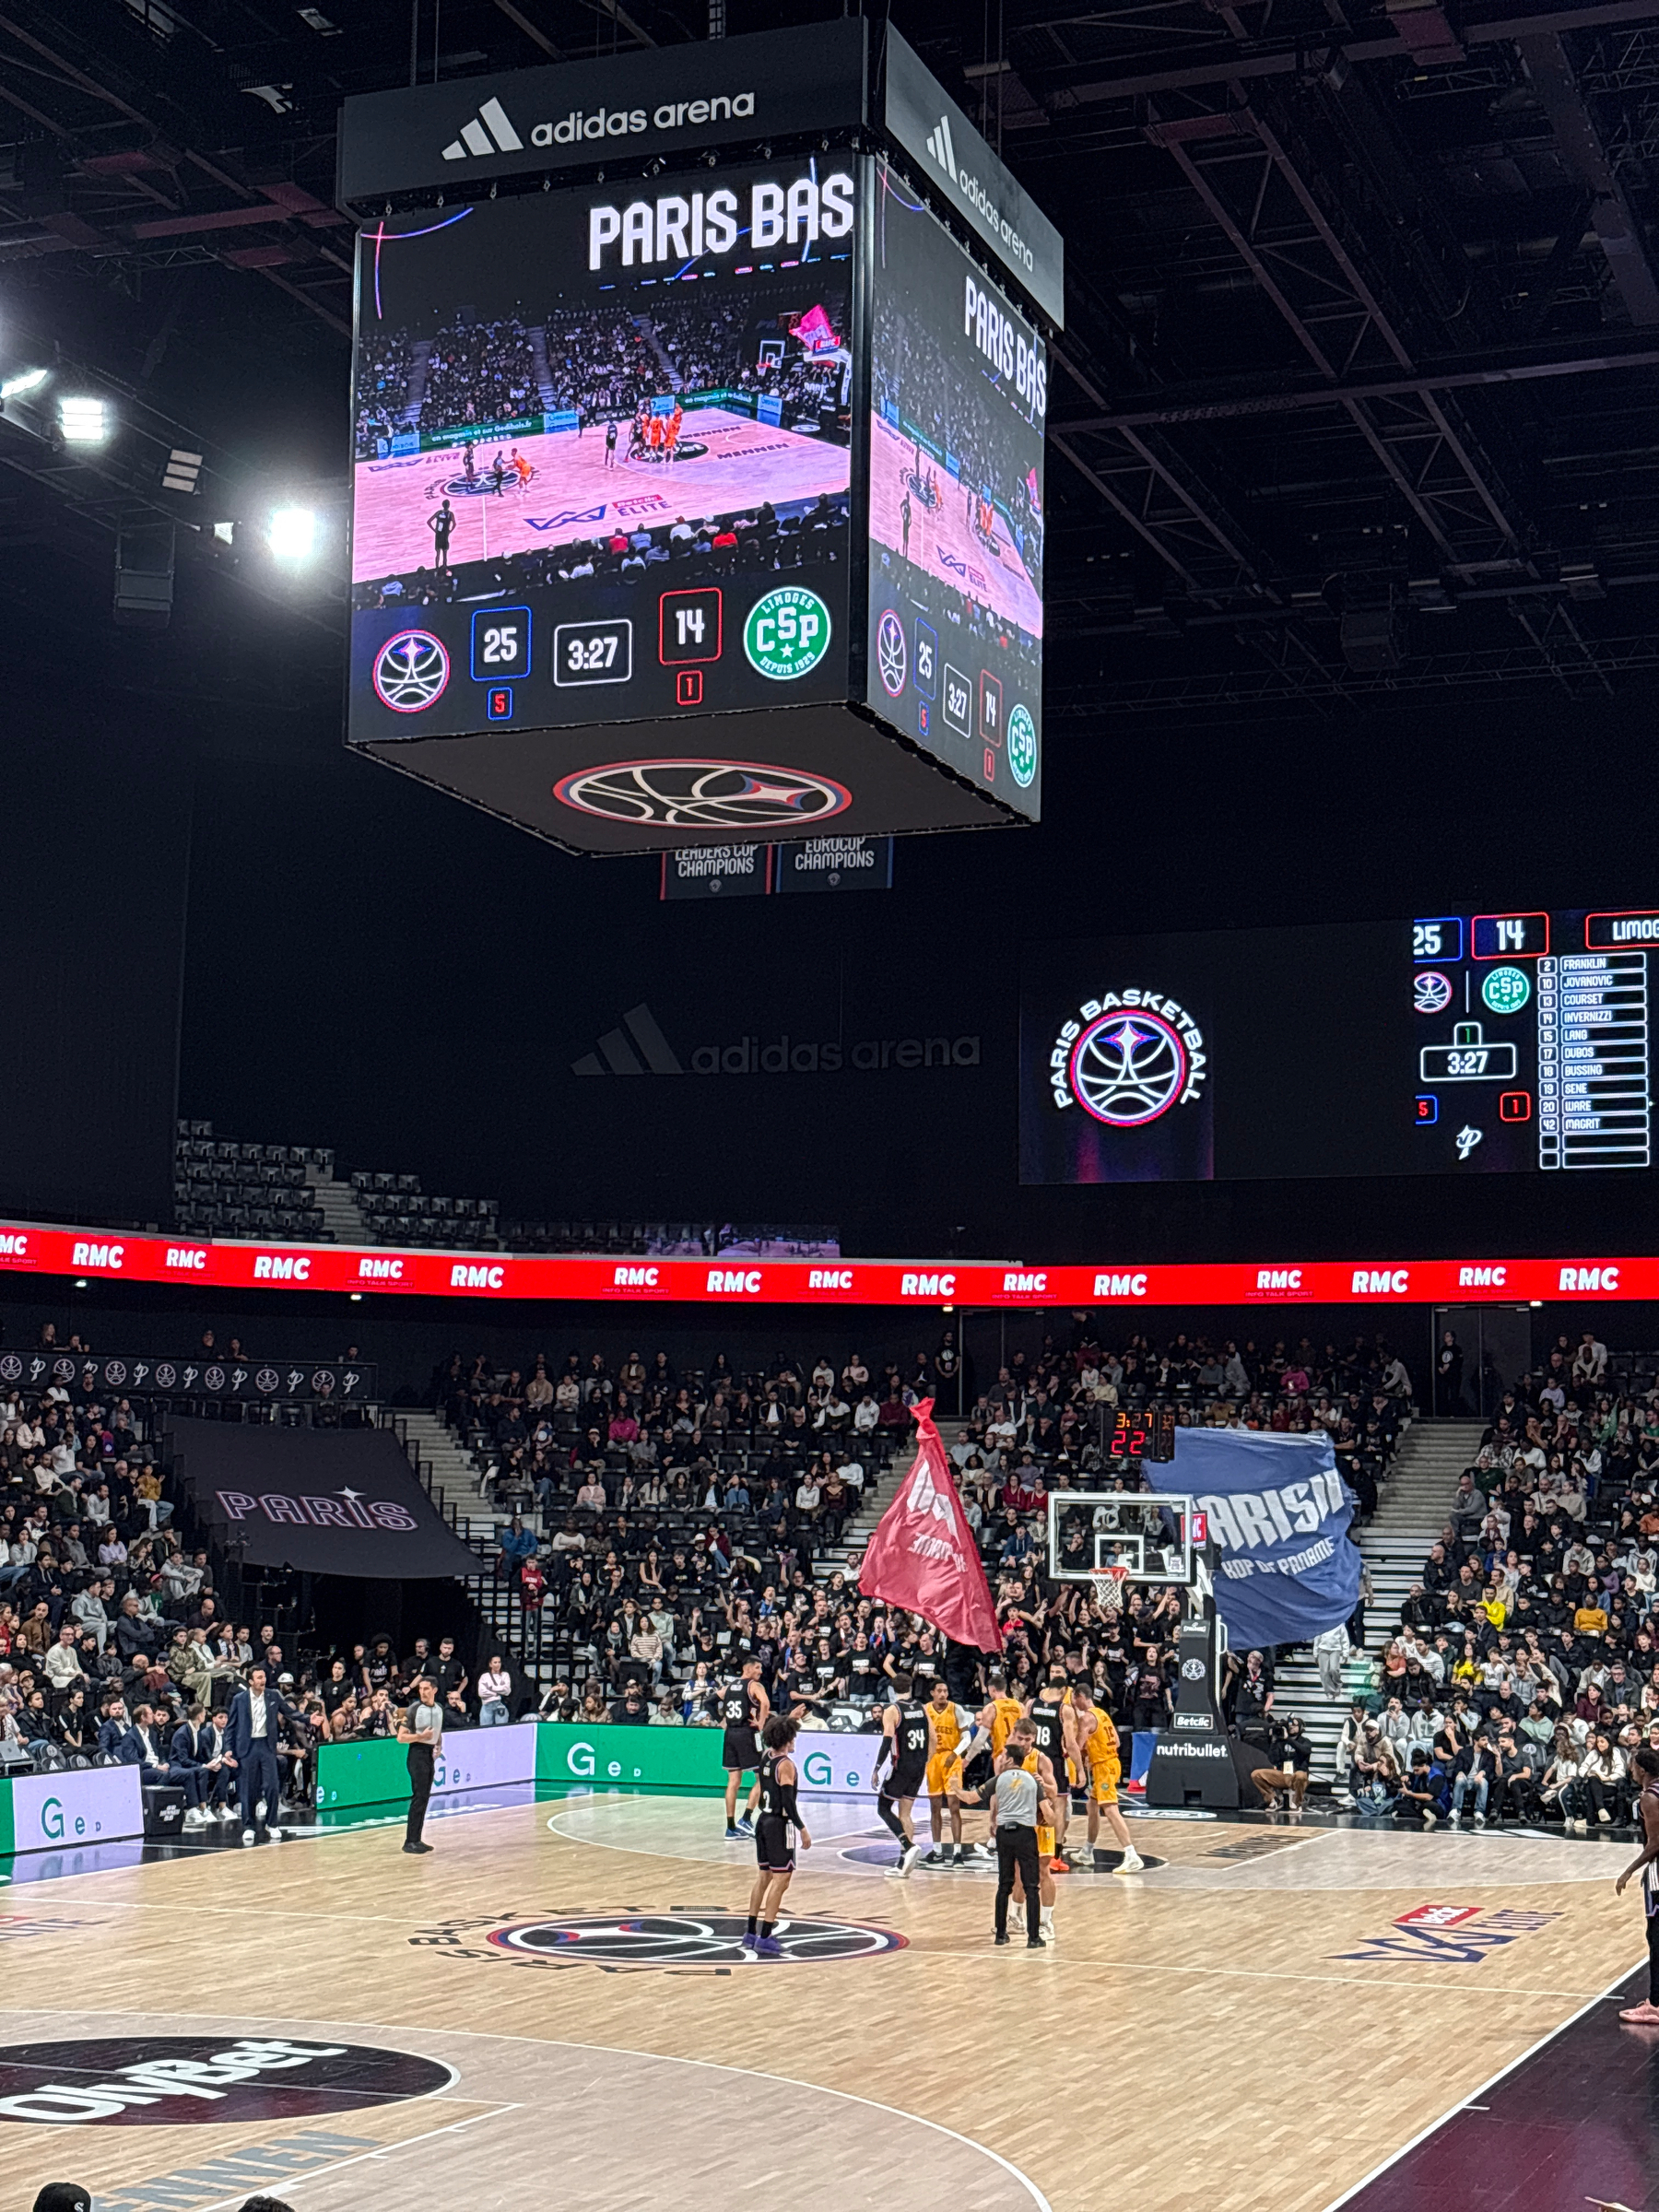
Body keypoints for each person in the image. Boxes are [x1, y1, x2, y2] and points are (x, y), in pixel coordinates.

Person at [743, 1713, 812, 1956]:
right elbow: (788, 1803)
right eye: (793, 1737)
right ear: (787, 1739)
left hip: (762, 1821)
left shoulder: (766, 1758)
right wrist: (802, 1828)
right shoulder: (786, 1765)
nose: (795, 1741)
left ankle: (750, 1932)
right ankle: (765, 1936)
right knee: (782, 1880)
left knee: (764, 1877)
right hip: (779, 1825)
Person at [1067, 1680, 1144, 1871]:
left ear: (1081, 1697)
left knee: (1110, 1809)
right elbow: (1116, 1742)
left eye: (1074, 1700)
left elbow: (1078, 1745)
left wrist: (1076, 1754)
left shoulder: (1086, 1718)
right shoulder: (1102, 1714)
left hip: (1104, 1768)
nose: (1074, 1704)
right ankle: (1087, 1851)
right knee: (1092, 1806)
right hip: (1111, 1763)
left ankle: (1131, 1853)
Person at [226, 1665, 300, 1847]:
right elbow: (231, 1727)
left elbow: (289, 1712)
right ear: (251, 1681)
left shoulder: (273, 1695)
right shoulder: (239, 1699)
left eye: (264, 1677)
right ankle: (248, 1826)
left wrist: (307, 1718)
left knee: (272, 1786)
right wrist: (228, 1749)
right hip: (248, 1747)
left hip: (266, 1745)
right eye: (259, 1677)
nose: (262, 1680)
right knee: (248, 1789)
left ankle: (272, 1823)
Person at [991, 1719, 1048, 1949]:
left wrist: (1045, 1786)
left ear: (1034, 1738)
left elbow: (1055, 1790)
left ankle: (1044, 1923)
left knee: (1040, 1875)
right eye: (1020, 1738)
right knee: (1012, 1882)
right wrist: (991, 1817)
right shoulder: (1002, 1759)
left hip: (1033, 1824)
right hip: (1017, 1827)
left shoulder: (1041, 1759)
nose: (1024, 1743)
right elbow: (996, 1793)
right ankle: (1017, 1923)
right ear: (1014, 1736)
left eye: (1028, 1739)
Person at [1614, 1743, 1659, 2023]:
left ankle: (1655, 2006)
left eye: (1632, 1765)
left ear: (1641, 1769)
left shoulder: (1650, 1798)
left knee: (1656, 1937)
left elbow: (1656, 1844)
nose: (1630, 1769)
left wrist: (1628, 1871)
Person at [872, 1669, 928, 1877]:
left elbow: (887, 1740)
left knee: (883, 1807)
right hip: (919, 1766)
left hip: (901, 1766)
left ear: (892, 1690)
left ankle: (908, 1845)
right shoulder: (921, 1708)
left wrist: (877, 1768)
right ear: (910, 1688)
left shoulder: (893, 1710)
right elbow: (932, 1737)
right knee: (905, 1814)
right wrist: (926, 1761)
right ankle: (904, 1864)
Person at [920, 1677, 977, 1865]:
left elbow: (967, 1737)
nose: (943, 1694)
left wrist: (956, 1753)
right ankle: (937, 1850)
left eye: (945, 1691)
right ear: (932, 1693)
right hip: (933, 1759)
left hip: (951, 1758)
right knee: (934, 1808)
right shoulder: (925, 1710)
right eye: (940, 1691)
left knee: (954, 1806)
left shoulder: (956, 1709)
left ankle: (957, 1851)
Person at [1026, 1665, 1073, 1870]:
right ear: (1063, 1690)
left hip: (1034, 1758)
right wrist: (1079, 1769)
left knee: (1032, 1805)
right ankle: (1055, 1854)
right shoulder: (1064, 1708)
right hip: (1054, 1760)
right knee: (1059, 1807)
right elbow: (1070, 1744)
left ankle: (1029, 1848)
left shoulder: (1031, 1704)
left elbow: (1022, 1731)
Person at [719, 1657, 769, 1839]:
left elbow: (710, 1701)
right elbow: (765, 1703)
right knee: (763, 1776)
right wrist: (761, 1724)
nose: (760, 1672)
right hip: (748, 1733)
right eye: (757, 1668)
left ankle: (730, 1827)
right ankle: (746, 1819)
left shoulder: (730, 1686)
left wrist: (721, 1722)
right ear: (747, 1669)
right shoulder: (754, 1686)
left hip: (730, 1733)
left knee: (733, 1781)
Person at [397, 1675, 442, 1853]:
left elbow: (438, 1730)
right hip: (416, 1753)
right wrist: (420, 1737)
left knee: (424, 1797)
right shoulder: (414, 1709)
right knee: (419, 1796)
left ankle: (417, 1838)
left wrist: (438, 1744)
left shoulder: (439, 1709)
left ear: (434, 1690)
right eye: (421, 1689)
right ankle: (410, 1840)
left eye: (426, 1689)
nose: (423, 1692)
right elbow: (401, 1737)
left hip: (428, 1754)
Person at [1251, 1714, 1312, 1817]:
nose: (1292, 1727)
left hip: (1297, 1774)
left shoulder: (1305, 1741)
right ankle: (1273, 1800)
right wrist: (1274, 1741)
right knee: (1256, 1774)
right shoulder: (1280, 1741)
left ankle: (1296, 1803)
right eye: (1290, 1726)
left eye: (1295, 1725)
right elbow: (1272, 1759)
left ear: (1301, 1728)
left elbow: (1305, 1751)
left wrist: (1289, 1739)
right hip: (1282, 1774)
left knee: (1301, 1776)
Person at [477, 1653, 512, 1726]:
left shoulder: (505, 1675)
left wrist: (491, 1688)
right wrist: (497, 1693)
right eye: (495, 1662)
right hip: (487, 1705)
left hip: (501, 1705)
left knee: (501, 1729)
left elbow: (507, 1690)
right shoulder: (484, 1676)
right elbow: (482, 1693)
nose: (497, 1664)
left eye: (499, 1662)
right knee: (485, 1729)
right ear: (490, 1664)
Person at [427, 497, 454, 571]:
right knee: (444, 553)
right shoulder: (450, 514)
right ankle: (445, 567)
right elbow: (454, 524)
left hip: (438, 535)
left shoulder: (438, 513)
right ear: (448, 505)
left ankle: (436, 568)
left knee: (438, 553)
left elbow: (428, 522)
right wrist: (450, 531)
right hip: (445, 535)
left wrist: (434, 530)